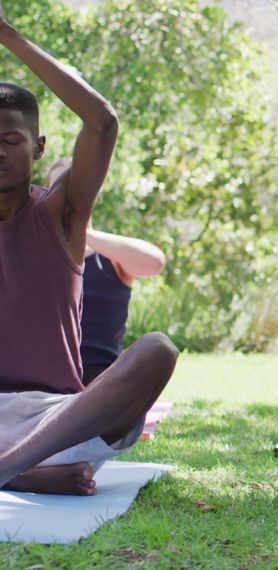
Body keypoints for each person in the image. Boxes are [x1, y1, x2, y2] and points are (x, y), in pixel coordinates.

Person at [0, 9, 177, 496]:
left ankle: (12, 467)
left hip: (56, 422)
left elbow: (102, 123)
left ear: (37, 149)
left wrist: (7, 35)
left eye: (10, 141)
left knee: (157, 350)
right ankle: (22, 475)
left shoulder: (63, 215)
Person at [45, 158, 168, 386]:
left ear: (95, 193)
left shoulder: (110, 256)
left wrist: (80, 231)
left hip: (101, 382)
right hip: (45, 380)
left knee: (160, 347)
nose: (67, 196)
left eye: (76, 187)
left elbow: (154, 263)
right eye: (59, 190)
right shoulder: (35, 251)